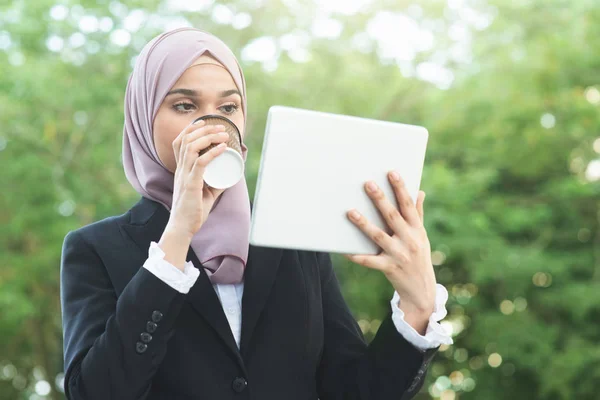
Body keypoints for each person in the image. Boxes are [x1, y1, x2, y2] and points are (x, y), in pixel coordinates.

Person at [59, 27, 452, 400]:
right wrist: (178, 234)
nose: (212, 123)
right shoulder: (96, 249)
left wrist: (416, 309)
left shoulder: (292, 237)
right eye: (184, 105)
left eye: (228, 106)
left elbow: (352, 390)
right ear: (144, 119)